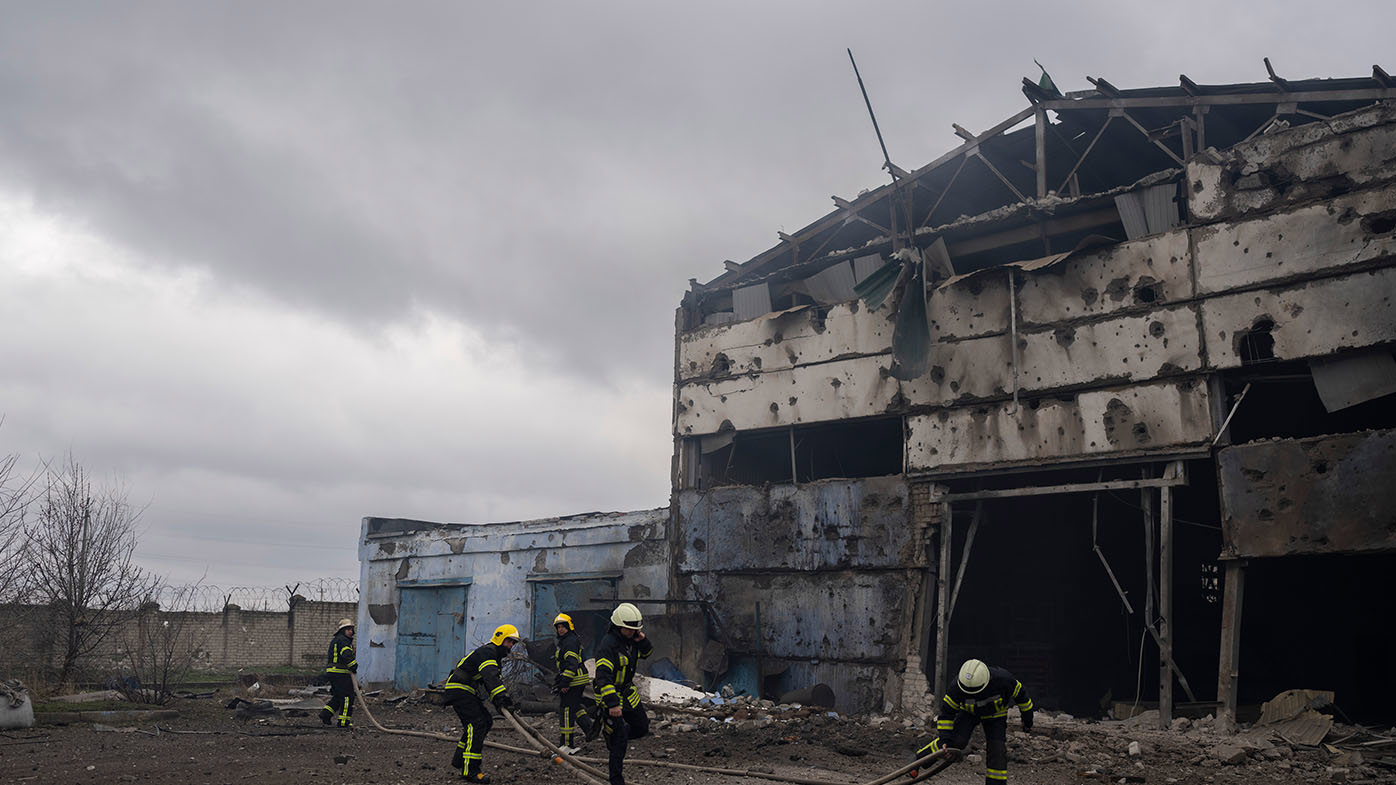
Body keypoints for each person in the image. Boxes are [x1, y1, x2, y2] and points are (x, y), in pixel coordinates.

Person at [914, 659, 1034, 784]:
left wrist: (1027, 721)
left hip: (995, 715)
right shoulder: (956, 688)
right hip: (969, 713)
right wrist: (944, 739)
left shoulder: (1004, 680)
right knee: (955, 741)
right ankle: (918, 759)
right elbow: (947, 714)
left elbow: (1023, 700)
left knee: (997, 751)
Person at [443, 624, 520, 783]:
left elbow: (488, 683)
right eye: (509, 641)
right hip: (459, 689)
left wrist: (500, 701)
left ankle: (460, 759)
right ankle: (470, 770)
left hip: (465, 690)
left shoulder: (493, 656)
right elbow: (491, 678)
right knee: (476, 724)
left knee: (486, 721)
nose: (511, 646)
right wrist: (501, 696)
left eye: (513, 643)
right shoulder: (488, 652)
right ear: (500, 639)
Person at [592, 602, 652, 785]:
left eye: (636, 630)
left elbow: (647, 653)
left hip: (628, 692)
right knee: (619, 744)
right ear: (619, 626)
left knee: (642, 727)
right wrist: (612, 704)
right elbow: (603, 677)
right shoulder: (607, 646)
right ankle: (616, 780)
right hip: (612, 695)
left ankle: (612, 732)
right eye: (630, 629)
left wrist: (642, 640)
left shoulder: (631, 641)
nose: (633, 632)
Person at [552, 612, 596, 752]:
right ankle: (590, 730)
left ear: (569, 627)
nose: (560, 629)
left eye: (563, 627)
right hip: (578, 679)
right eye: (558, 627)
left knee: (566, 710)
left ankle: (566, 744)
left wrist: (565, 683)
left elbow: (571, 664)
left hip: (574, 680)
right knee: (575, 706)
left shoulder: (569, 642)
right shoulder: (568, 640)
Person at [318, 618, 357, 728]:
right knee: (347, 697)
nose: (351, 631)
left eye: (351, 629)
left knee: (338, 696)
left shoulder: (337, 640)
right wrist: (353, 666)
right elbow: (346, 655)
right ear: (342, 630)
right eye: (348, 629)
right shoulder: (343, 641)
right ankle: (343, 722)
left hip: (333, 672)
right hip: (340, 673)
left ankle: (326, 713)